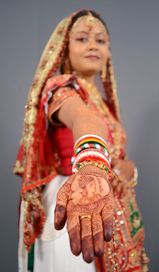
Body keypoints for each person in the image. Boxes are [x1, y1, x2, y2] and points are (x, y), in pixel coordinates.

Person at [14, 9, 150, 272]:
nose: (92, 46)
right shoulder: (61, 89)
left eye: (100, 40)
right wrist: (91, 166)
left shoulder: (106, 105)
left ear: (109, 52)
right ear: (65, 48)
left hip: (110, 211)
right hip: (76, 206)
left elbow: (115, 155)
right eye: (82, 39)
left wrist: (128, 168)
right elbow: (84, 120)